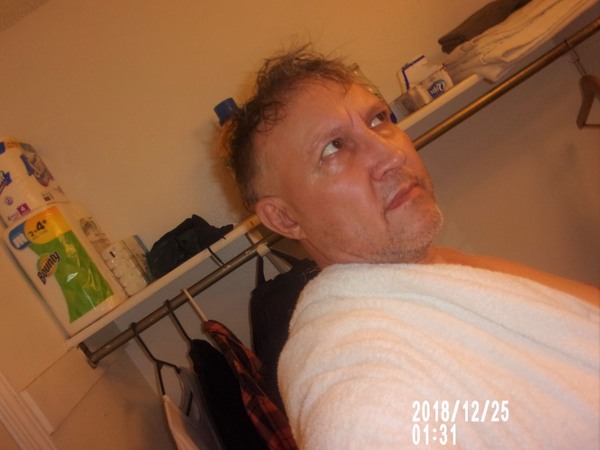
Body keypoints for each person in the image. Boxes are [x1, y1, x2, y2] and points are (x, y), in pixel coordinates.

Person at [222, 46, 600, 449]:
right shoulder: (353, 379)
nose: (392, 153)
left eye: (378, 119)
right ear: (284, 218)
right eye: (333, 147)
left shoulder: (435, 267)